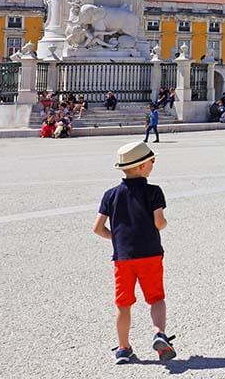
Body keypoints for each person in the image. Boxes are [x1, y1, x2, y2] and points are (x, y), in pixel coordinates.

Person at [94, 142, 176, 365]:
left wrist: (118, 238)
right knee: (156, 298)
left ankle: (123, 348)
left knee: (123, 304)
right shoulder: (154, 191)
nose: (153, 163)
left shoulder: (110, 195)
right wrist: (164, 223)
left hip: (123, 258)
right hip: (150, 253)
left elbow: (97, 228)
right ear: (141, 166)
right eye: (152, 160)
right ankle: (159, 334)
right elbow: (159, 223)